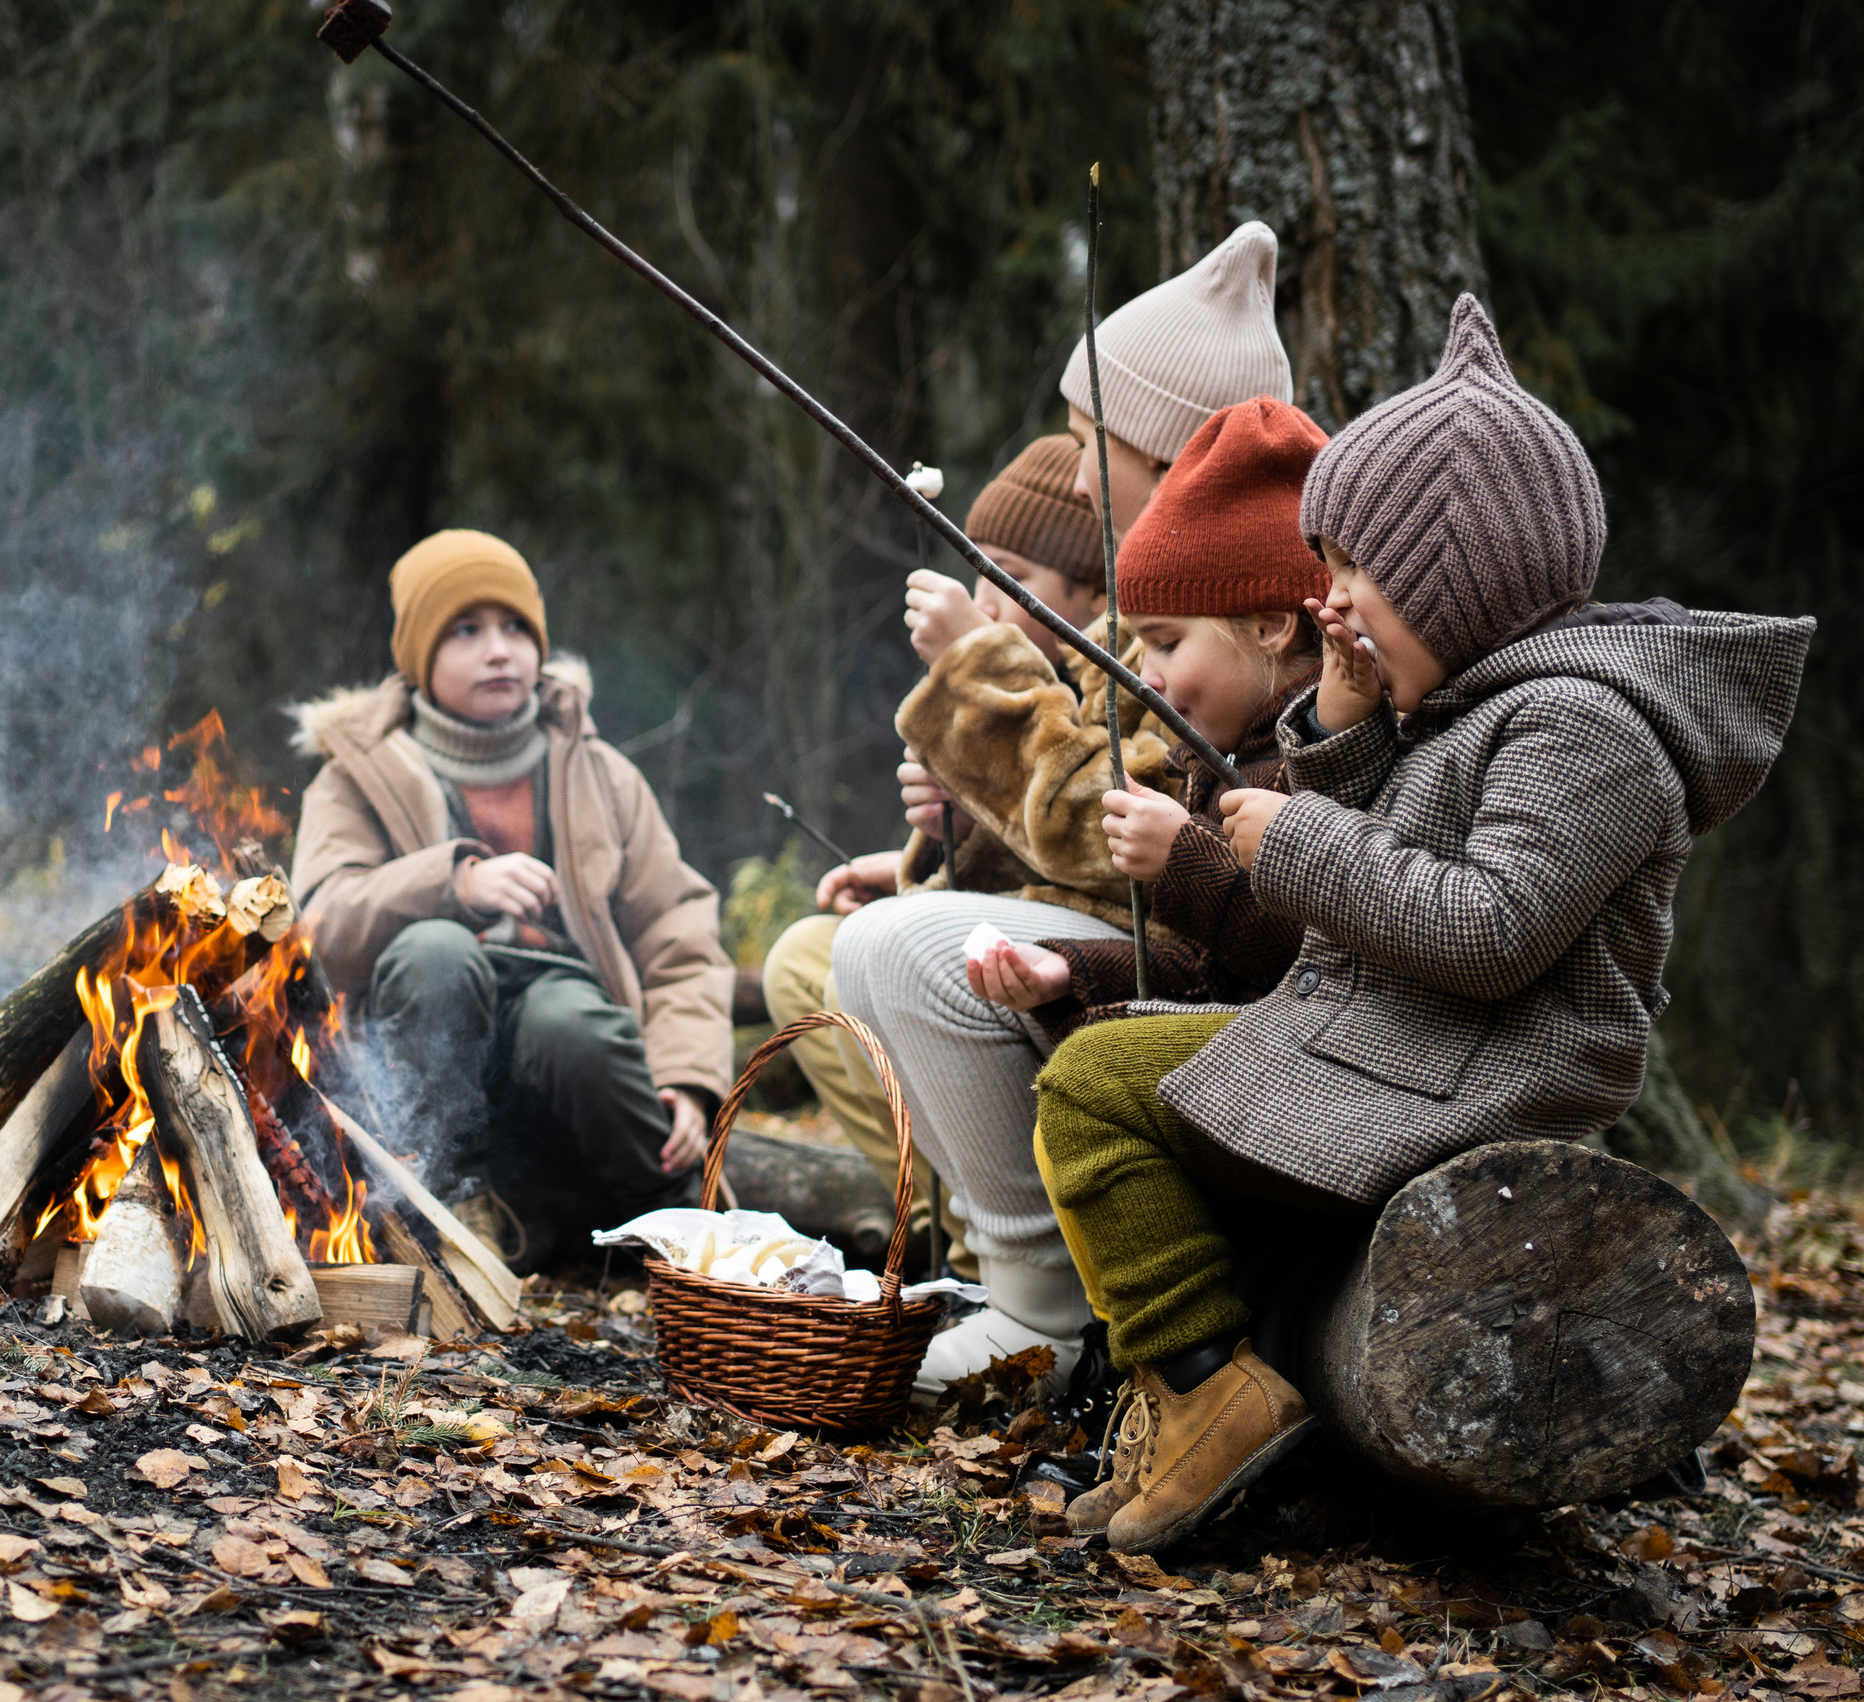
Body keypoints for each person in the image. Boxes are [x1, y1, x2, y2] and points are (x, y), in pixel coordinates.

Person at [1035, 294, 1812, 1553]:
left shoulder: (1587, 729)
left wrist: (1292, 838)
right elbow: (1398, 855)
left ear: (1452, 584)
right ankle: (1194, 1389)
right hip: (1403, 1041)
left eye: (1354, 573)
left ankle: (1206, 1395)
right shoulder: (1484, 706)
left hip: (1481, 1069)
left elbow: (1487, 925)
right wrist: (1342, 722)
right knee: (1124, 1054)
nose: (1330, 599)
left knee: (1096, 1089)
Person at [841, 395, 1335, 1394]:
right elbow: (1193, 955)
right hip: (1192, 1017)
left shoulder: (1311, 754)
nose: (1146, 675)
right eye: (1138, 646)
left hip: (1290, 1078)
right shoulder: (1231, 742)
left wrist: (1176, 863)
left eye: (1162, 645)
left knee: (901, 959)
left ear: (1273, 626)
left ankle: (1047, 1320)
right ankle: (1018, 1289)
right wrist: (1067, 967)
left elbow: (1274, 949)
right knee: (856, 952)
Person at [288, 529, 734, 1268]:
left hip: (561, 1039)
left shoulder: (598, 773)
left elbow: (677, 933)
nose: (499, 650)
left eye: (516, 628)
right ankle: (449, 1214)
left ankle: (677, 1240)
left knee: (573, 1022)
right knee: (438, 951)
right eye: (465, 631)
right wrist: (451, 884)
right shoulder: (355, 775)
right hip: (418, 1050)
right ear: (420, 658)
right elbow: (323, 927)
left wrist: (690, 1077)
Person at [759, 434, 1104, 1280]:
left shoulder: (1123, 680)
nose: (986, 604)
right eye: (978, 574)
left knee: (864, 960)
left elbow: (1092, 852)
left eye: (1011, 579)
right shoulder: (1042, 682)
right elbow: (1021, 853)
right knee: (801, 960)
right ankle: (936, 1237)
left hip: (1084, 977)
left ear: (1093, 595)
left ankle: (1003, 1255)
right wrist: (927, 851)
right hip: (1020, 938)